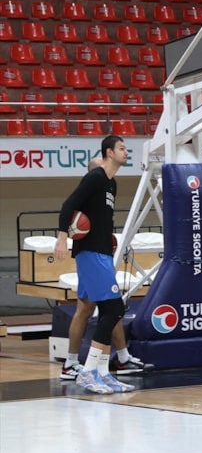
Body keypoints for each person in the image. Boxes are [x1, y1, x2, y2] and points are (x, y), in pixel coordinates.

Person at [54, 136, 135, 394]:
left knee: (101, 309)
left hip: (102, 252)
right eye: (121, 148)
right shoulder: (96, 178)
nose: (126, 152)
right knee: (114, 309)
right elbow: (69, 205)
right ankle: (88, 372)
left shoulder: (112, 184)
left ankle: (102, 373)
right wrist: (62, 237)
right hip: (90, 253)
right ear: (109, 152)